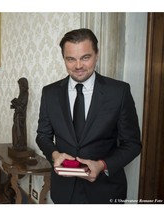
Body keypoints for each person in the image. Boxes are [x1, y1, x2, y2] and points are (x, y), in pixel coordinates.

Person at [36, 28, 142, 204]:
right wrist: (55, 155)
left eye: (85, 57)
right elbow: (43, 135)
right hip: (64, 191)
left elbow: (132, 144)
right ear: (64, 59)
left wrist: (102, 165)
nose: (78, 66)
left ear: (97, 55)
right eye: (71, 59)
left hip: (105, 191)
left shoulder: (119, 92)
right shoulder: (50, 93)